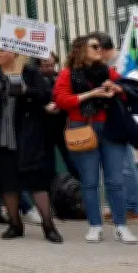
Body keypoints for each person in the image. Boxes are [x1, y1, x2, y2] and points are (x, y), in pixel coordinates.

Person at [0, 49, 62, 243]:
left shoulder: (30, 72)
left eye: (1, 50)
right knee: (8, 183)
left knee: (37, 182)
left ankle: (48, 226)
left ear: (13, 52)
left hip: (28, 136)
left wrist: (26, 91)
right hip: (1, 137)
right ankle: (15, 224)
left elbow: (45, 96)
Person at [54, 35, 138, 243]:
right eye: (94, 46)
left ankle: (120, 226)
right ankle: (95, 225)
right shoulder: (67, 73)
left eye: (100, 46)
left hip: (112, 128)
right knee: (90, 181)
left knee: (115, 180)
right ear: (81, 49)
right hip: (82, 127)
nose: (100, 49)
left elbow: (128, 92)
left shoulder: (108, 71)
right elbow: (62, 100)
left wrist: (117, 88)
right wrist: (91, 94)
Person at [90, 31, 138, 221]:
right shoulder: (112, 64)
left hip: (122, 119)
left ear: (101, 48)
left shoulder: (122, 63)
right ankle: (125, 205)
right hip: (114, 119)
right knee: (119, 167)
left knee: (125, 166)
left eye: (94, 48)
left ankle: (132, 206)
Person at [36, 53, 80, 179]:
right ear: (38, 66)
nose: (49, 68)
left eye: (52, 65)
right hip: (43, 127)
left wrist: (60, 105)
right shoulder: (34, 79)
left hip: (62, 125)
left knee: (72, 160)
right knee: (47, 163)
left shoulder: (60, 77)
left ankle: (80, 184)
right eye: (45, 65)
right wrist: (43, 108)